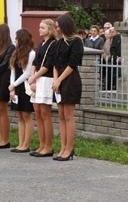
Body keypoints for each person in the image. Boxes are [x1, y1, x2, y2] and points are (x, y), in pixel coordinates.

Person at [52, 14, 84, 161]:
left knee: (68, 115)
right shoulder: (58, 42)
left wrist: (59, 80)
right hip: (59, 78)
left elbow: (73, 63)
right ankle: (62, 147)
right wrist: (55, 81)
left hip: (70, 79)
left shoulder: (76, 41)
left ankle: (69, 148)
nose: (57, 29)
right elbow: (54, 63)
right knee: (61, 115)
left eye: (58, 26)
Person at [26, 19, 57, 157]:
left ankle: (48, 146)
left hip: (46, 79)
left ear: (50, 29)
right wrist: (32, 78)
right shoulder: (41, 44)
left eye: (42, 27)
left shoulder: (53, 44)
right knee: (37, 113)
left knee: (45, 114)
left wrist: (35, 77)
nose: (39, 29)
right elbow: (35, 62)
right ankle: (41, 144)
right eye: (39, 27)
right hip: (37, 79)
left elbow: (48, 64)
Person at [8, 28, 36, 153]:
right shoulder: (15, 53)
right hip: (16, 87)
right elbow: (13, 71)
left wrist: (13, 84)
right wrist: (12, 88)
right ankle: (20, 143)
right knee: (19, 115)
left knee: (26, 114)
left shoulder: (31, 53)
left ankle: (26, 144)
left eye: (17, 38)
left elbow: (27, 73)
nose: (15, 40)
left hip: (25, 86)